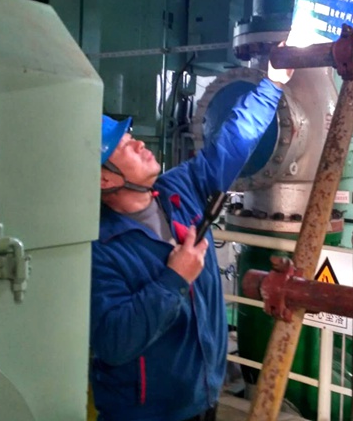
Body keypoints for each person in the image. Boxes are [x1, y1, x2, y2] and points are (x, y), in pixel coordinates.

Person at [90, 62, 294, 421]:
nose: (139, 143)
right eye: (125, 147)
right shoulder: (100, 247)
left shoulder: (179, 190)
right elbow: (114, 341)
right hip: (147, 414)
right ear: (106, 180)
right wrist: (174, 279)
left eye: (131, 136)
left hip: (205, 395)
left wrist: (272, 84)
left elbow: (233, 141)